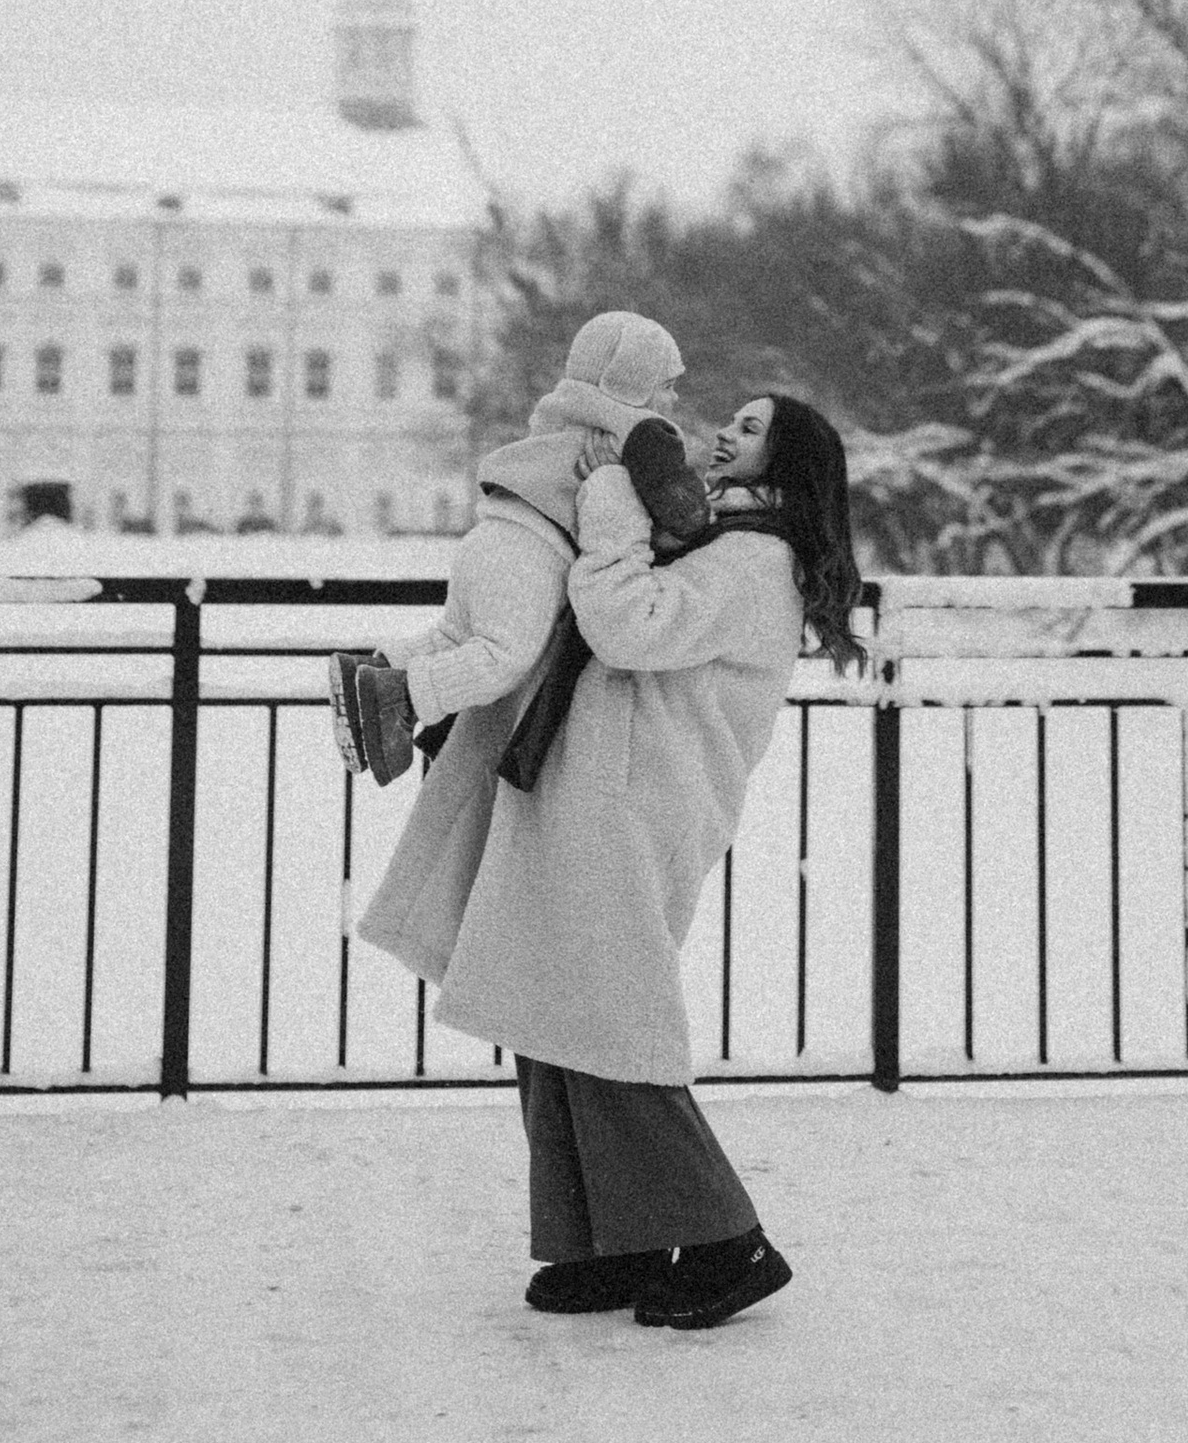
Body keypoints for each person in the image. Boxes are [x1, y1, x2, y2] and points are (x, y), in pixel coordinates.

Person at [355, 390, 863, 1332]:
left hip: (638, 799)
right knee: (549, 998)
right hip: (599, 784)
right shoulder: (718, 541)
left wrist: (608, 511)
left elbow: (628, 623)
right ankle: (608, 1245)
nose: (726, 433)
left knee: (604, 1008)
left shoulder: (757, 561)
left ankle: (724, 1242)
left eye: (752, 429)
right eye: (733, 419)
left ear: (790, 465)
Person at [327, 310, 708, 784]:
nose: (673, 399)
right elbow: (687, 515)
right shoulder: (644, 436)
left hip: (492, 533)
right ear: (634, 378)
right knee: (501, 656)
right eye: (668, 384)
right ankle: (397, 697)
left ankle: (371, 670)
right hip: (534, 547)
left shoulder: (560, 415)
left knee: (455, 635)